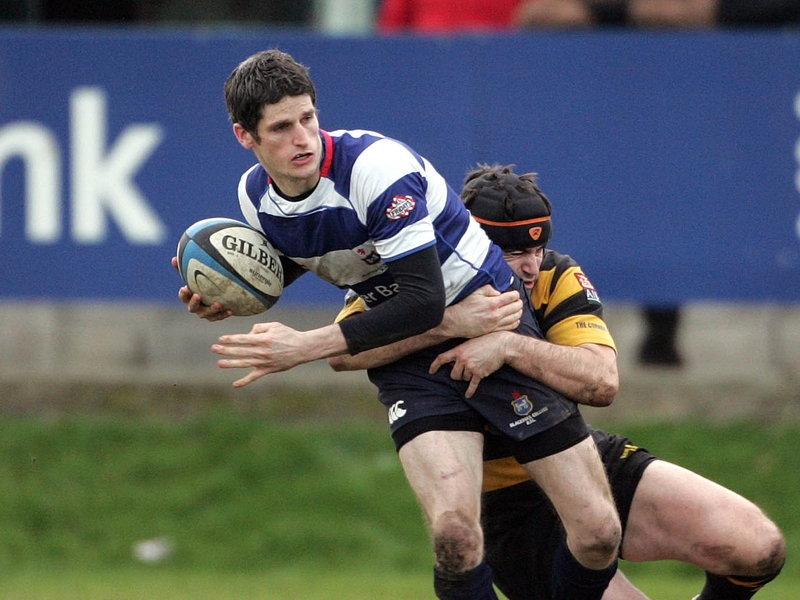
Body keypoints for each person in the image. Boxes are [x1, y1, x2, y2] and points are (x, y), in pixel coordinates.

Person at [175, 49, 621, 600]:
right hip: (411, 358)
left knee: (599, 532)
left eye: (308, 118)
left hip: (491, 324)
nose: (303, 139)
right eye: (282, 128)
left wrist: (304, 346)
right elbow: (303, 255)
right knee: (456, 537)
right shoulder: (255, 197)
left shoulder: (374, 168)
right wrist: (228, 295)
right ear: (247, 137)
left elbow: (419, 299)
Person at [330, 163, 786, 599]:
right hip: (508, 507)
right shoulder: (411, 277)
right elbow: (343, 350)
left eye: (536, 249)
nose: (529, 266)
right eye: (512, 253)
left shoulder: (554, 274)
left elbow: (601, 382)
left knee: (758, 547)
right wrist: (449, 323)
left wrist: (510, 346)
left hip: (578, 457)